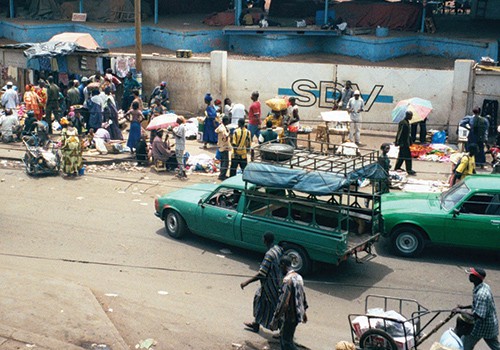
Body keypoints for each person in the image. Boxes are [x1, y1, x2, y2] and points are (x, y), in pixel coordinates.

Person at [240, 232, 284, 333]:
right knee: (259, 299)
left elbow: (262, 273)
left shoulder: (269, 255)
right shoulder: (278, 248)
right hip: (276, 282)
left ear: (265, 240)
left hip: (271, 286)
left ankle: (283, 332)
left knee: (274, 307)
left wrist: (246, 282)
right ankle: (256, 324)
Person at [270, 255, 309, 350]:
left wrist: (275, 318)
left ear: (283, 265)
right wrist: (304, 311)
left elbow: (284, 302)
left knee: (286, 343)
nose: (280, 269)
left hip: (290, 316)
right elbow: (302, 295)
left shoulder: (287, 281)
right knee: (287, 338)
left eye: (280, 266)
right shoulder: (298, 277)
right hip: (297, 315)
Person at [462, 267, 500, 350]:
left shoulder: (481, 294)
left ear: (476, 278)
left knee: (464, 345)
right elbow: (479, 306)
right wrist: (464, 307)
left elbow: (479, 315)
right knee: (496, 347)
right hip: (490, 326)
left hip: (480, 328)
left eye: (471, 275)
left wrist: (461, 311)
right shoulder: (484, 286)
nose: (469, 276)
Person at [394, 111, 416, 175]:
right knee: (408, 157)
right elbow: (399, 133)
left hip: (406, 143)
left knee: (401, 156)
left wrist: (410, 141)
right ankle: (409, 170)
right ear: (407, 115)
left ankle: (397, 167)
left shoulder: (407, 122)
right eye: (410, 116)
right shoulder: (403, 123)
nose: (411, 117)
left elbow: (408, 134)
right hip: (403, 143)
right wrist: (397, 141)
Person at [215, 115, 232, 181]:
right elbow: (225, 135)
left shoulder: (221, 127)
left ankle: (222, 174)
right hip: (224, 147)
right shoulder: (223, 129)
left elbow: (216, 131)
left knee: (223, 162)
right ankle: (222, 175)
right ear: (226, 121)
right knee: (225, 162)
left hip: (222, 146)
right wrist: (229, 132)